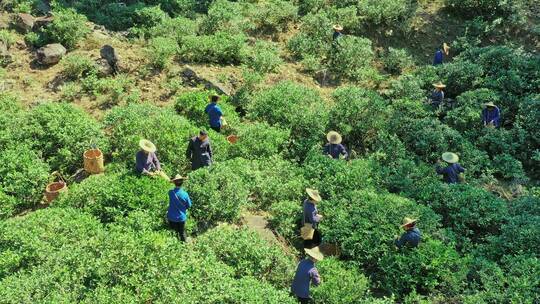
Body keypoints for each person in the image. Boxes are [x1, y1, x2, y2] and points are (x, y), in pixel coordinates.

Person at [167, 174, 192, 242]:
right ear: (182, 182)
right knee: (182, 232)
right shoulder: (185, 194)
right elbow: (189, 205)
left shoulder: (170, 192)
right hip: (181, 217)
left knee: (173, 233)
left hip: (171, 217)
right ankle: (183, 245)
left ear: (174, 183)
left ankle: (174, 245)